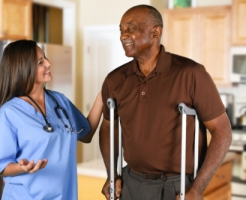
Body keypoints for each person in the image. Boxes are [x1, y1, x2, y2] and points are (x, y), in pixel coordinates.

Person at [99, 4, 232, 200]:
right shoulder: (115, 79)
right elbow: (108, 129)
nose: (123, 36)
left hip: (177, 187)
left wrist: (198, 188)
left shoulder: (191, 74)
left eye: (131, 28)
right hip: (131, 184)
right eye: (121, 30)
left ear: (155, 32)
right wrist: (112, 175)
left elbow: (222, 132)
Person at [0, 39, 103, 200]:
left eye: (45, 58)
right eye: (41, 62)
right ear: (23, 69)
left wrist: (101, 98)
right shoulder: (9, 113)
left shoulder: (59, 101)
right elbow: (2, 167)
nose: (48, 64)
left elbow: (86, 134)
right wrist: (24, 168)